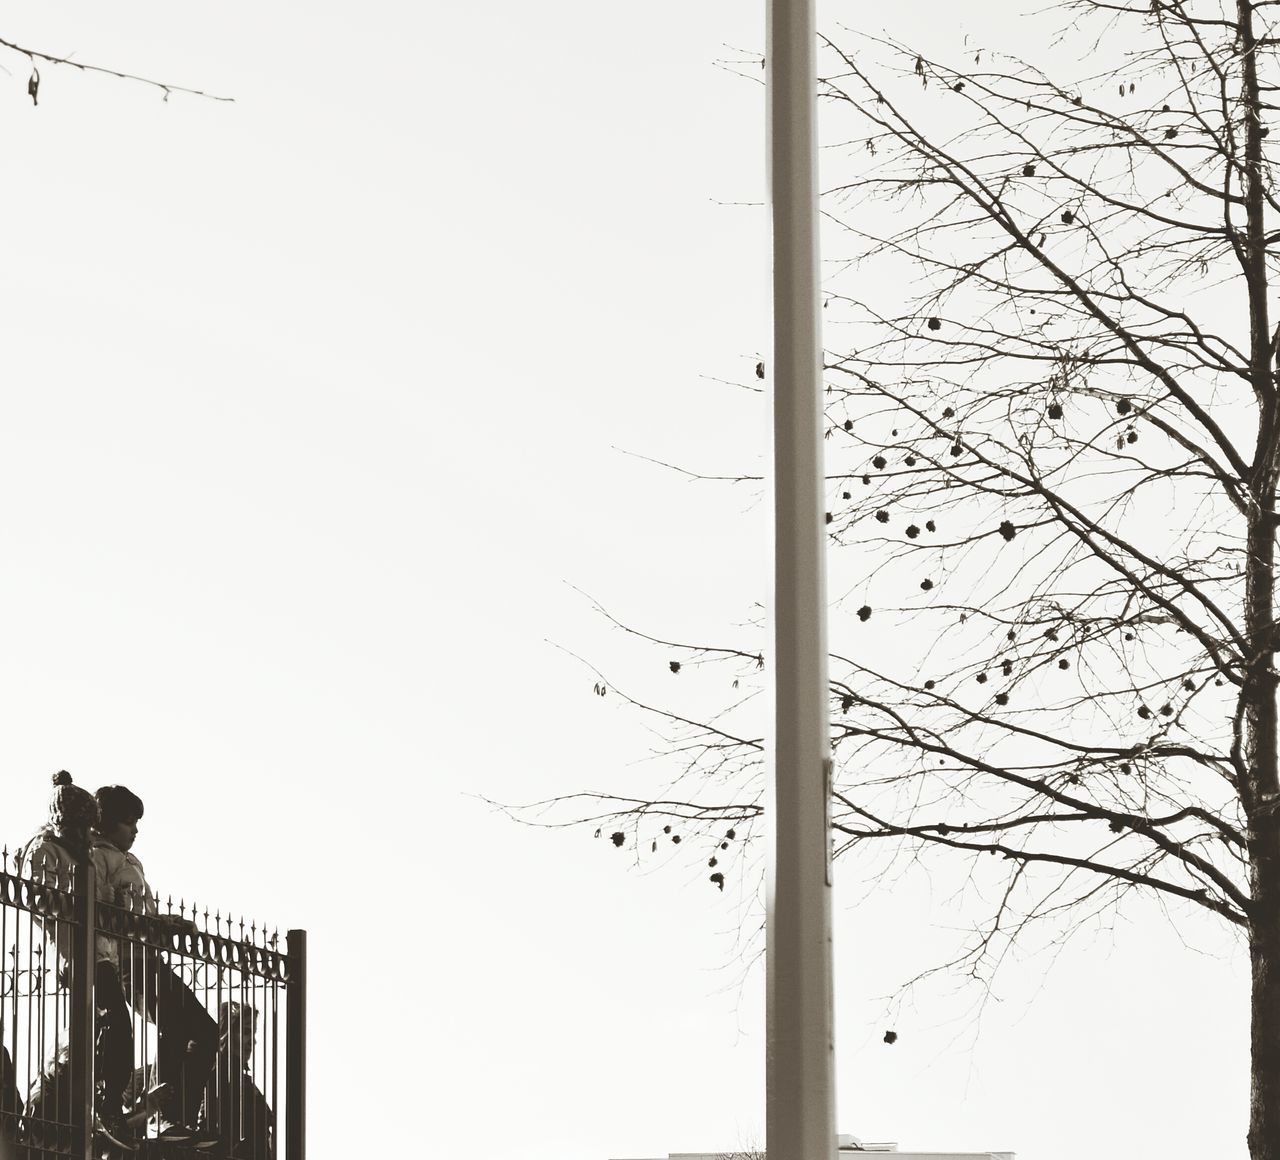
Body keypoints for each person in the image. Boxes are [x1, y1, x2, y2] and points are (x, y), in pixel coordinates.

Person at [92, 785, 218, 1148]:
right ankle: (165, 1117)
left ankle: (177, 1117)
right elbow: (103, 912)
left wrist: (165, 922)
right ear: (108, 823)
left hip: (147, 957)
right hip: (128, 963)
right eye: (129, 822)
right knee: (185, 1029)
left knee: (198, 1033)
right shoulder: (97, 858)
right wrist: (149, 924)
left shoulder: (128, 860)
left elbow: (138, 914)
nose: (135, 830)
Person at [17, 770, 136, 1153]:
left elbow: (97, 895)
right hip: (73, 953)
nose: (86, 835)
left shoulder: (78, 849)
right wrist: (91, 892)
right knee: (111, 1022)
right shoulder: (44, 849)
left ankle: (105, 1100)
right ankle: (106, 1103)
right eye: (79, 827)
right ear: (61, 821)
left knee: (110, 1026)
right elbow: (41, 898)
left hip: (97, 954)